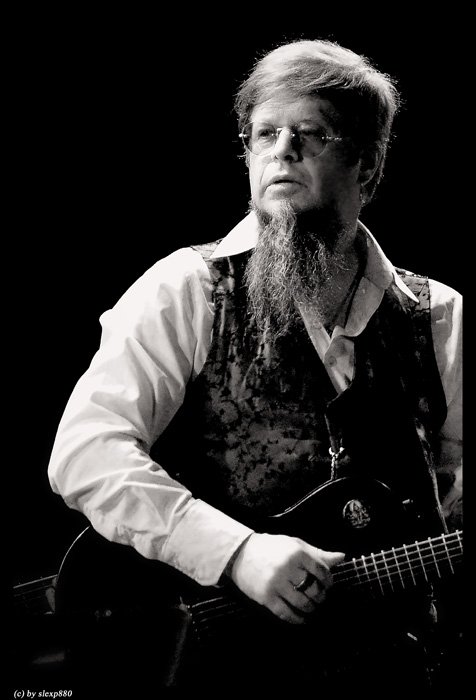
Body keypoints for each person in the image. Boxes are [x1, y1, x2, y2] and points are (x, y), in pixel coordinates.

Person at [48, 38, 462, 693]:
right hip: (221, 674)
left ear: (368, 165)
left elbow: (454, 499)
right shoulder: (187, 288)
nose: (282, 151)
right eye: (265, 133)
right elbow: (87, 454)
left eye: (313, 133)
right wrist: (237, 553)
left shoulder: (438, 316)